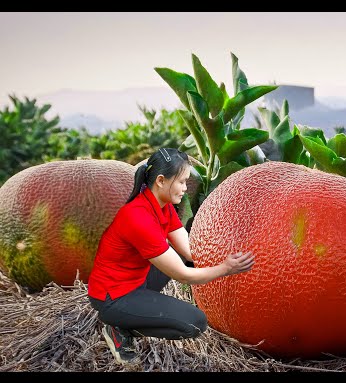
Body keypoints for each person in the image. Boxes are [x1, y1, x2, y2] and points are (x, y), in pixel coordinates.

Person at [87, 147, 255, 365]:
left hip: (134, 281)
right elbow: (183, 275)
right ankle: (119, 328)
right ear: (160, 180)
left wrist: (228, 252)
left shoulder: (163, 206)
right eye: (182, 182)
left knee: (175, 254)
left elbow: (189, 251)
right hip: (112, 297)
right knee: (195, 323)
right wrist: (226, 269)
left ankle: (127, 316)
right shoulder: (138, 217)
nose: (185, 188)